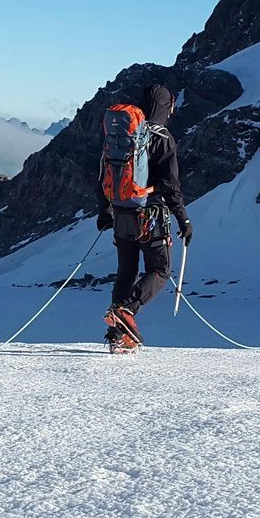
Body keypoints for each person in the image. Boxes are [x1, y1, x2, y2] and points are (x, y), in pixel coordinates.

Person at [97, 84, 191, 351]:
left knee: (126, 271)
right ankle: (127, 311)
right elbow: (170, 185)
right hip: (151, 217)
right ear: (165, 106)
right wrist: (183, 219)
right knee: (160, 270)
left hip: (121, 212)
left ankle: (118, 335)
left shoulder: (121, 135)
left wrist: (105, 211)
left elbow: (104, 172)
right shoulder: (162, 137)